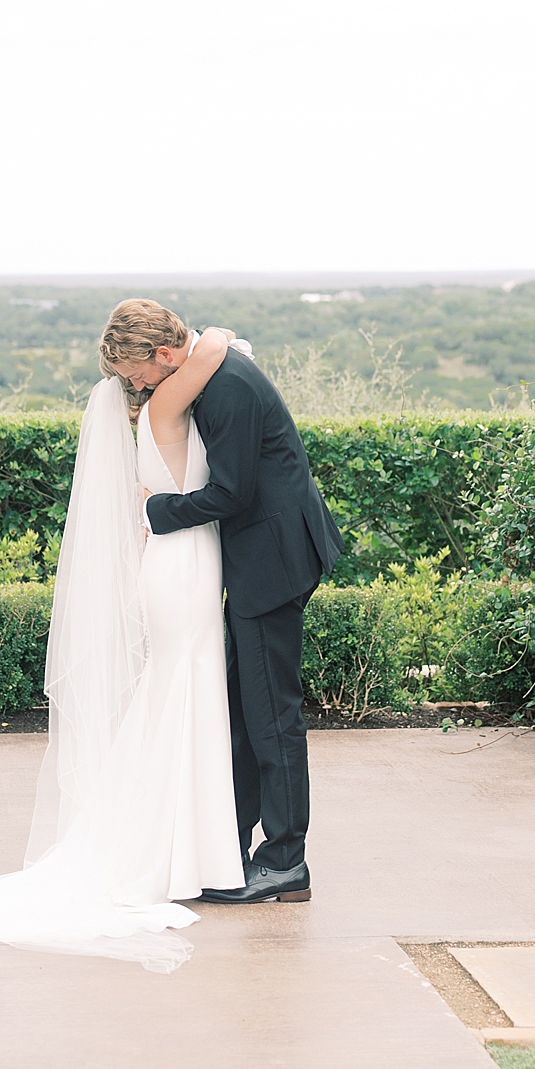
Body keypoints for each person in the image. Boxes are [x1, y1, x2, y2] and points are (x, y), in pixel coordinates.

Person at [0, 320, 246, 973]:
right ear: (150, 367)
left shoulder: (152, 412)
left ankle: (185, 849)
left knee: (179, 693)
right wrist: (219, 332)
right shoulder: (170, 401)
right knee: (183, 689)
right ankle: (178, 852)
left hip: (178, 561)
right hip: (182, 568)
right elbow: (211, 350)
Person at [103, 300, 343, 905]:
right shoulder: (210, 371)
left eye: (137, 374)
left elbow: (232, 493)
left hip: (273, 561)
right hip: (263, 554)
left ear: (162, 353)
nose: (136, 386)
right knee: (243, 708)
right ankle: (229, 842)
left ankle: (287, 862)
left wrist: (157, 511)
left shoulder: (226, 387)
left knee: (273, 717)